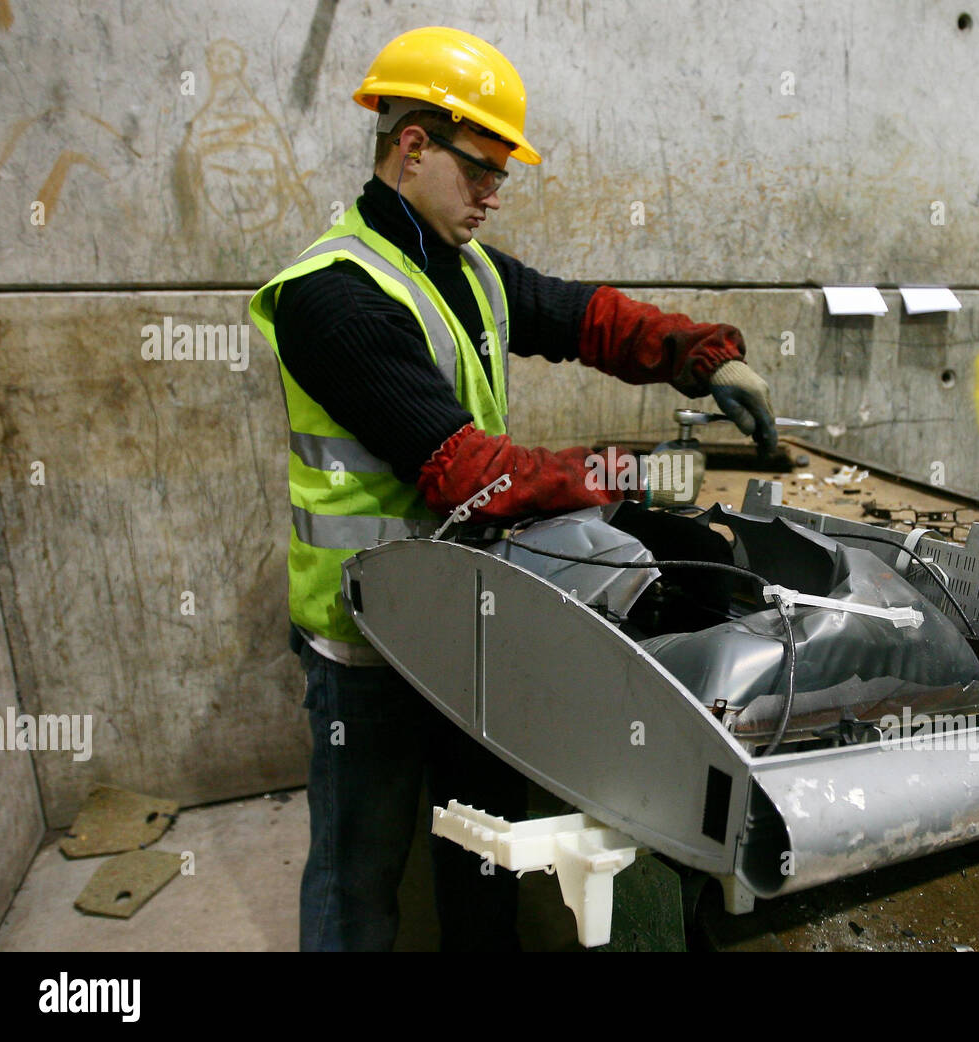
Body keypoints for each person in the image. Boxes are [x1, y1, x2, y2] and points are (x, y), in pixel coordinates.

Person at [248, 25, 776, 951]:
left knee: (483, 849)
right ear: (411, 144)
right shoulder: (331, 296)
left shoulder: (466, 268)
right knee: (356, 871)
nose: (495, 192)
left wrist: (699, 354)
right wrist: (627, 475)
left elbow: (584, 317)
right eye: (480, 167)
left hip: (465, 621)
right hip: (365, 636)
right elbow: (468, 472)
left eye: (503, 173)